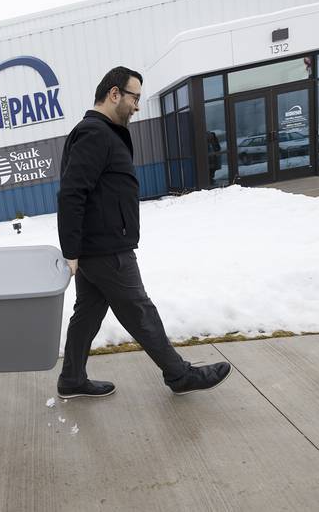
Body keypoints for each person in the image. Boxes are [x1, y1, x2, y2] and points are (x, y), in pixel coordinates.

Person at [56, 66, 232, 399]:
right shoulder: (95, 133)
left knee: (88, 314)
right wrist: (71, 251)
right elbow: (72, 192)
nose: (137, 106)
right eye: (134, 97)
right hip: (105, 248)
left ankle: (71, 379)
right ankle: (178, 374)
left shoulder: (103, 132)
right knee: (139, 309)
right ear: (114, 94)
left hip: (99, 245)